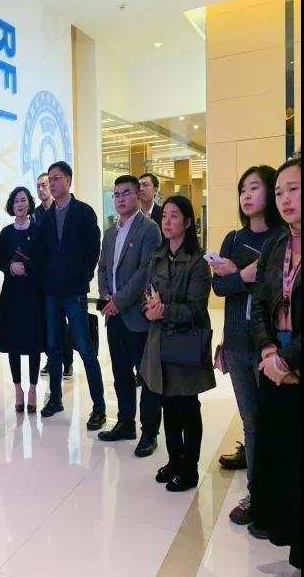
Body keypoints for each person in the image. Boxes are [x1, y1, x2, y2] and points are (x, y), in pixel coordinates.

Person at [210, 165, 284, 525]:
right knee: (252, 421)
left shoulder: (283, 238)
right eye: (242, 189)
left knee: (276, 422)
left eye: (254, 187)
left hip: (273, 345)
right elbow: (219, 288)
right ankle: (257, 495)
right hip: (238, 344)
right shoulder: (233, 240)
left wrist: (242, 276)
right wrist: (244, 275)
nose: (247, 195)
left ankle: (277, 495)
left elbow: (279, 289)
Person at [140, 196, 215, 492]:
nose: (167, 221)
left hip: (185, 345)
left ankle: (189, 468)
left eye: (174, 216)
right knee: (168, 405)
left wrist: (163, 311)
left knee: (187, 407)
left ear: (187, 222)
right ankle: (173, 461)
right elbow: (148, 294)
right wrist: (148, 310)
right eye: (165, 216)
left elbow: (196, 309)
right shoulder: (158, 256)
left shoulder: (197, 262)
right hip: (160, 342)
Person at [248, 156, 300, 573]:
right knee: (282, 458)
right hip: (273, 363)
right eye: (280, 191)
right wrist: (268, 350)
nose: (285, 199)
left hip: (295, 362)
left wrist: (288, 358)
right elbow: (260, 304)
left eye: (294, 190)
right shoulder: (276, 245)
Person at [97, 175, 162, 456]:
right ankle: (125, 423)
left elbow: (145, 271)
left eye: (126, 193)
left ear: (138, 195)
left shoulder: (150, 229)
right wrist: (106, 296)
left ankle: (149, 432)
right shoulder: (110, 232)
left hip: (137, 317)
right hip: (114, 316)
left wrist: (119, 301)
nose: (121, 199)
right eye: (116, 194)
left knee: (146, 378)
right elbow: (102, 267)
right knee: (120, 373)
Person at [38, 161, 105, 427]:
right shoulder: (45, 217)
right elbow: (43, 253)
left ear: (68, 180)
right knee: (53, 348)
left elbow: (93, 250)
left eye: (56, 179)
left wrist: (83, 276)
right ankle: (55, 398)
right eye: (49, 179)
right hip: (52, 293)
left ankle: (99, 407)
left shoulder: (84, 212)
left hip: (75, 291)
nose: (52, 184)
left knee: (85, 349)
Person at [0, 187, 46, 413]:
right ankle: (18, 389)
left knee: (34, 343)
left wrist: (28, 268)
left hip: (33, 293)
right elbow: (0, 262)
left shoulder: (39, 230)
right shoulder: (6, 232)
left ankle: (32, 389)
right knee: (13, 343)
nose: (20, 205)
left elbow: (43, 261)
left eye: (23, 200)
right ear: (11, 206)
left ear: (29, 203)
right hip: (12, 294)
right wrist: (11, 267)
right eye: (16, 201)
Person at [35, 172, 74, 380]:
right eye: (39, 186)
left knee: (65, 323)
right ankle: (52, 360)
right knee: (49, 324)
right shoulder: (36, 214)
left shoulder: (65, 210)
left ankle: (67, 362)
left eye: (46, 184)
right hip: (45, 280)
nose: (43, 189)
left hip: (67, 281)